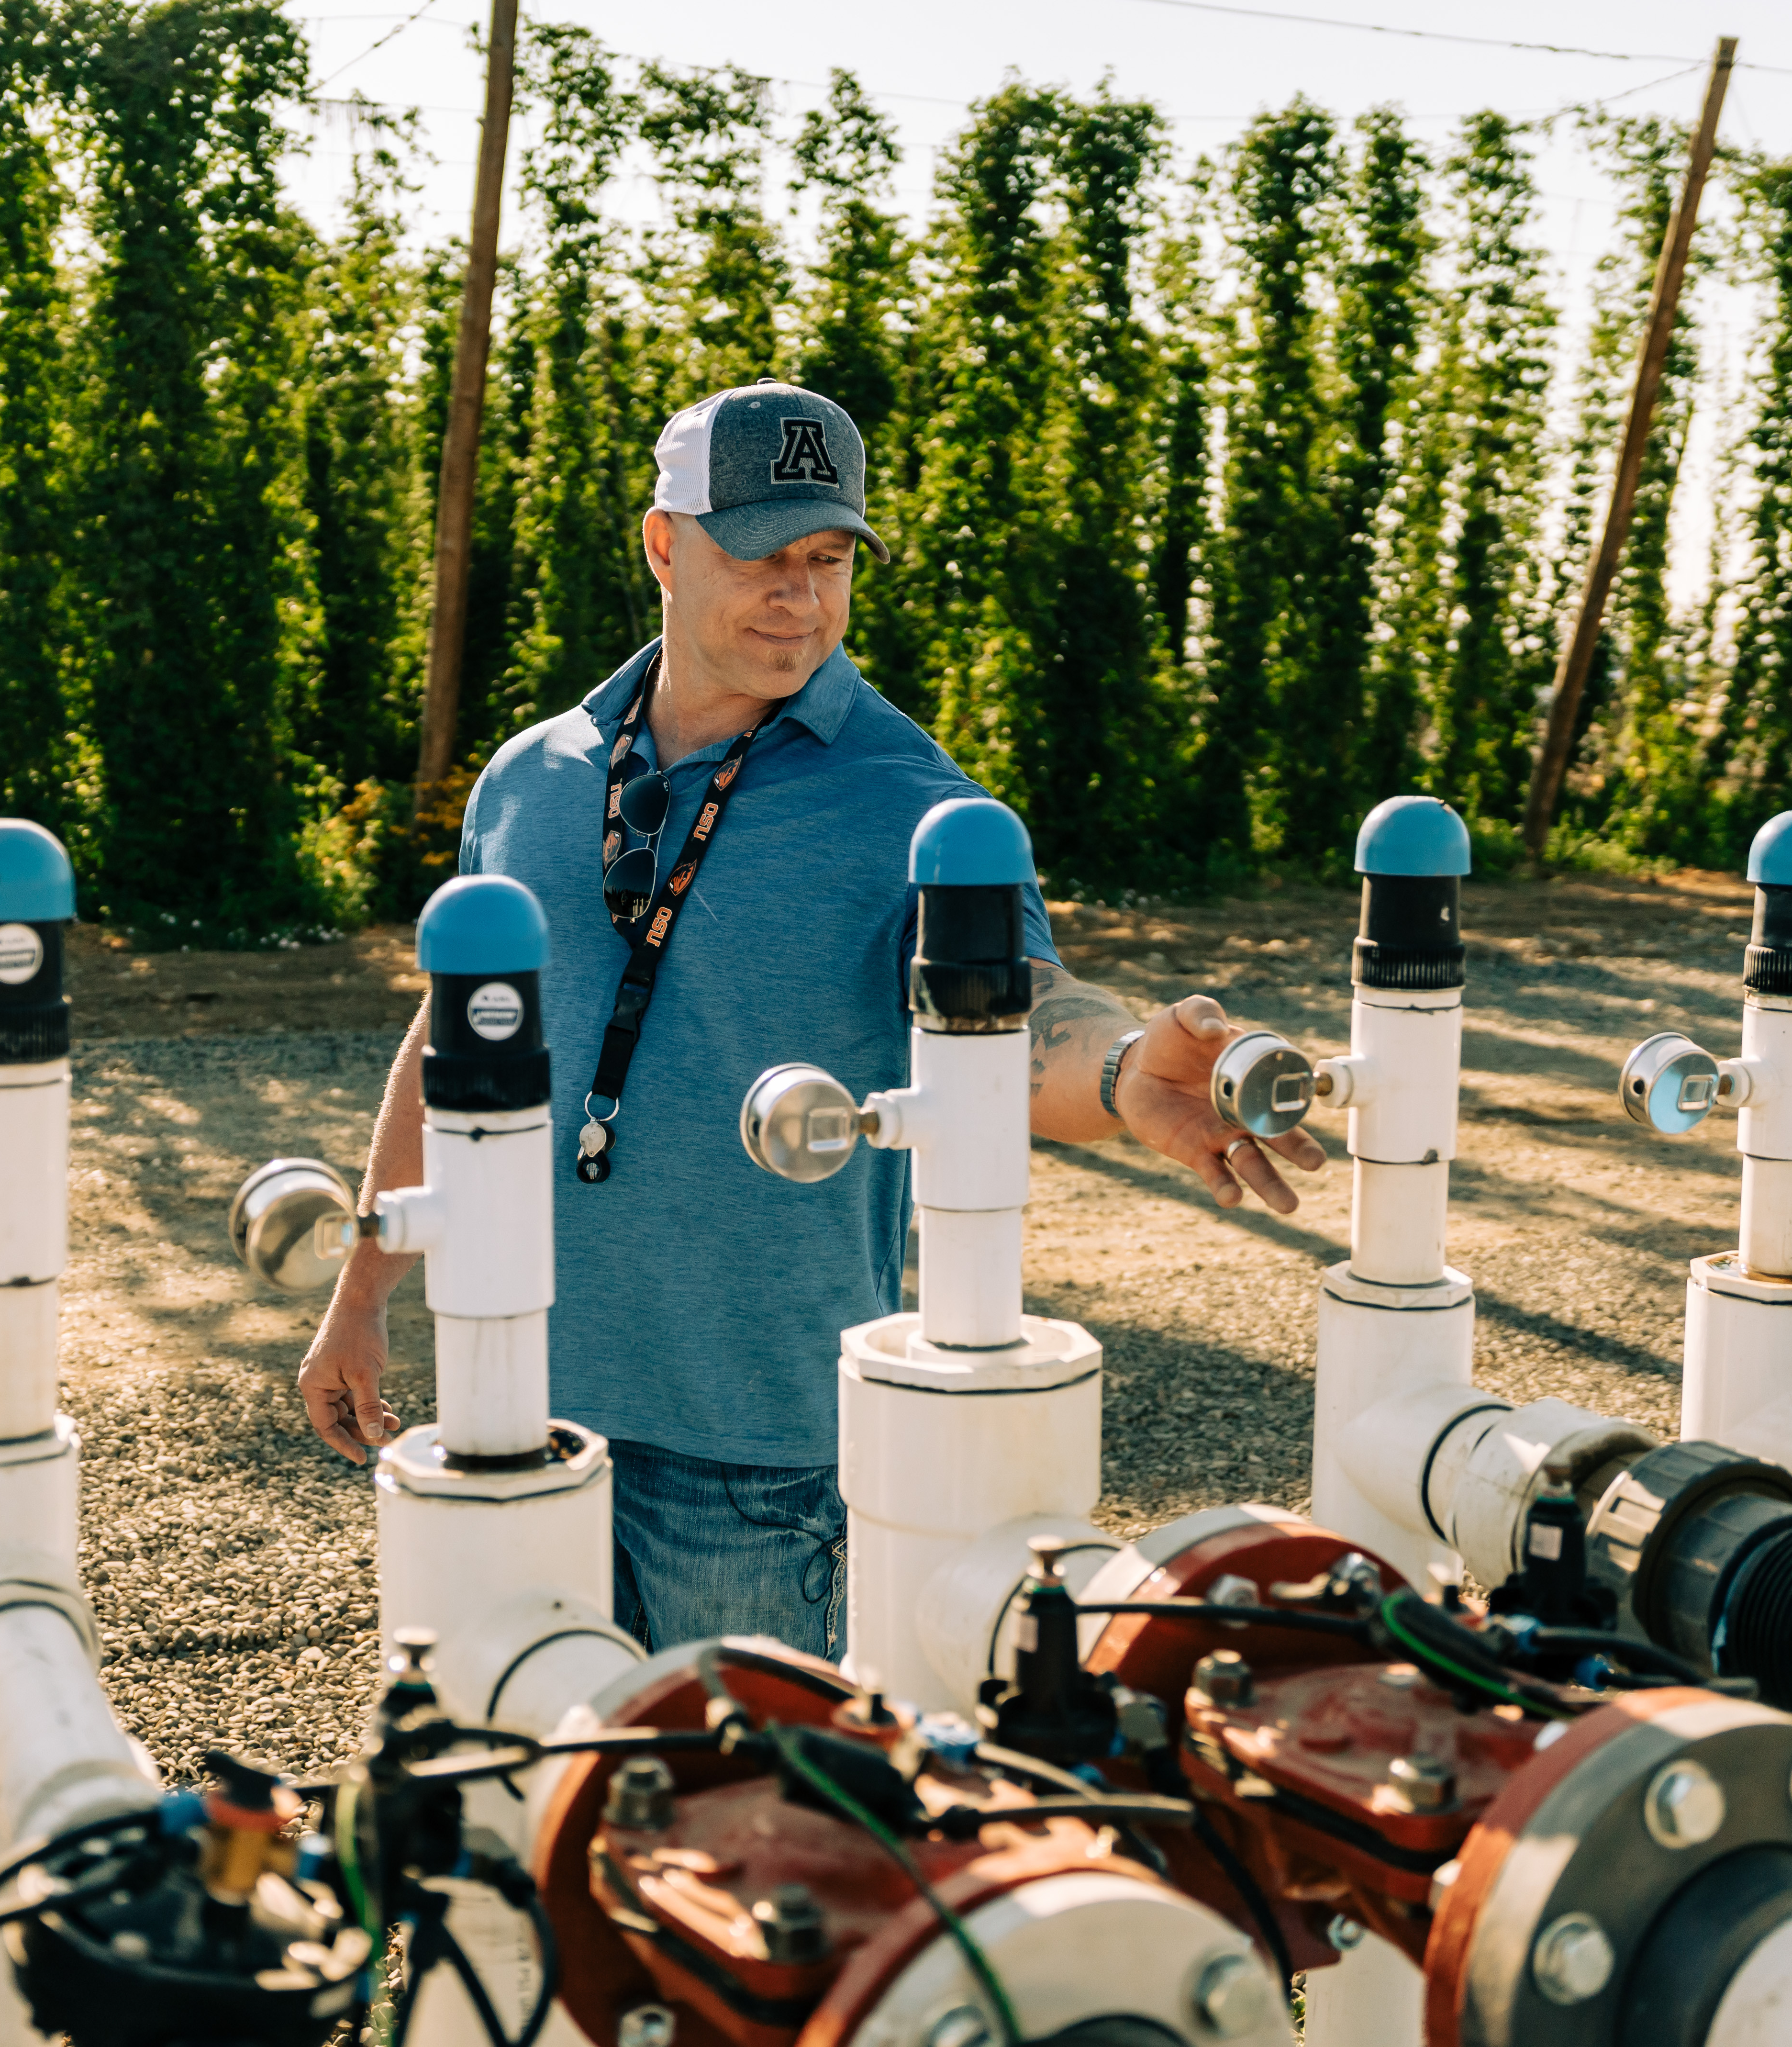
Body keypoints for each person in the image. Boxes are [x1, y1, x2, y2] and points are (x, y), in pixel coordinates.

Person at [297, 380, 1322, 1656]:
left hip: (759, 1458)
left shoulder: (913, 802)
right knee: (518, 1801)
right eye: (764, 555)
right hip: (517, 1407)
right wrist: (364, 1288)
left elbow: (1017, 1018)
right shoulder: (533, 775)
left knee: (741, 1827)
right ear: (666, 544)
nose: (802, 595)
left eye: (828, 558)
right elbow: (464, 1042)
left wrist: (1124, 1075)